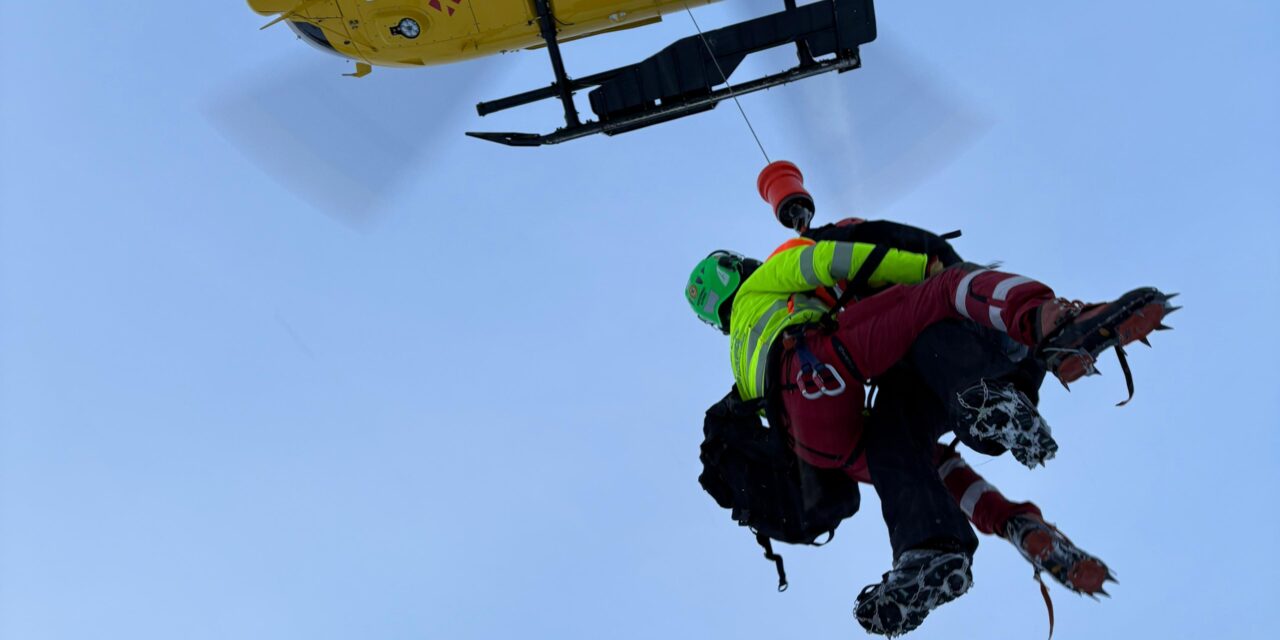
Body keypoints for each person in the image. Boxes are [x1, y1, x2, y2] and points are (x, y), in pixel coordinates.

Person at [685, 238, 1174, 635]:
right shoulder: (765, 283)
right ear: (736, 269)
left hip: (817, 442)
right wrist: (921, 265)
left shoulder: (738, 356)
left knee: (914, 456)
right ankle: (1049, 322)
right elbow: (830, 259)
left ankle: (948, 543)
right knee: (943, 290)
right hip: (817, 363)